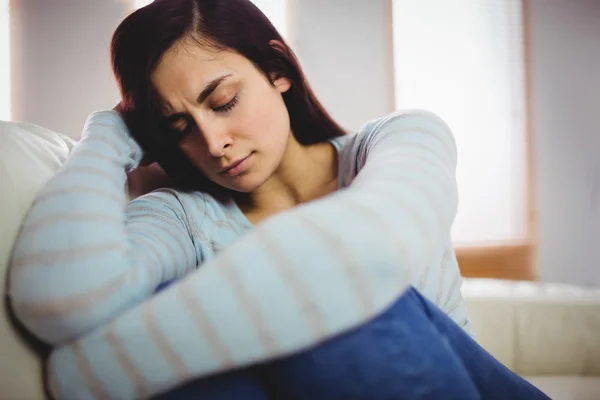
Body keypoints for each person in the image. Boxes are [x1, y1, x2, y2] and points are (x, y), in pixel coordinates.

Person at [7, 0, 549, 399]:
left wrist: (91, 369)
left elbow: (363, 254)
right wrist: (107, 137)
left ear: (278, 72)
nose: (213, 143)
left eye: (223, 101)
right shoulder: (184, 216)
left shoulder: (401, 139)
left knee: (351, 299)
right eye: (177, 127)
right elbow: (63, 299)